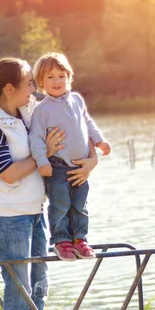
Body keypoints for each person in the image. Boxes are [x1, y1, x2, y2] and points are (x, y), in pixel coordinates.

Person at [0, 57, 98, 310]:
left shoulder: (28, 110)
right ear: (9, 88)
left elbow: (77, 127)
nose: (36, 88)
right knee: (19, 291)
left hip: (35, 213)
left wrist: (91, 160)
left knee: (40, 286)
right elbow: (10, 174)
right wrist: (43, 155)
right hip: (8, 217)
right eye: (31, 82)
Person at [29, 52, 111, 262]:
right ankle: (61, 240)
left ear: (69, 77)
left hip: (80, 165)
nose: (57, 81)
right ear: (40, 82)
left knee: (79, 203)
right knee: (60, 203)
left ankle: (79, 239)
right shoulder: (42, 110)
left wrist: (100, 141)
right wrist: (42, 162)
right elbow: (36, 139)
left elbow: (88, 123)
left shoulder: (76, 100)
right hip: (57, 166)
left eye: (61, 76)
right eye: (50, 77)